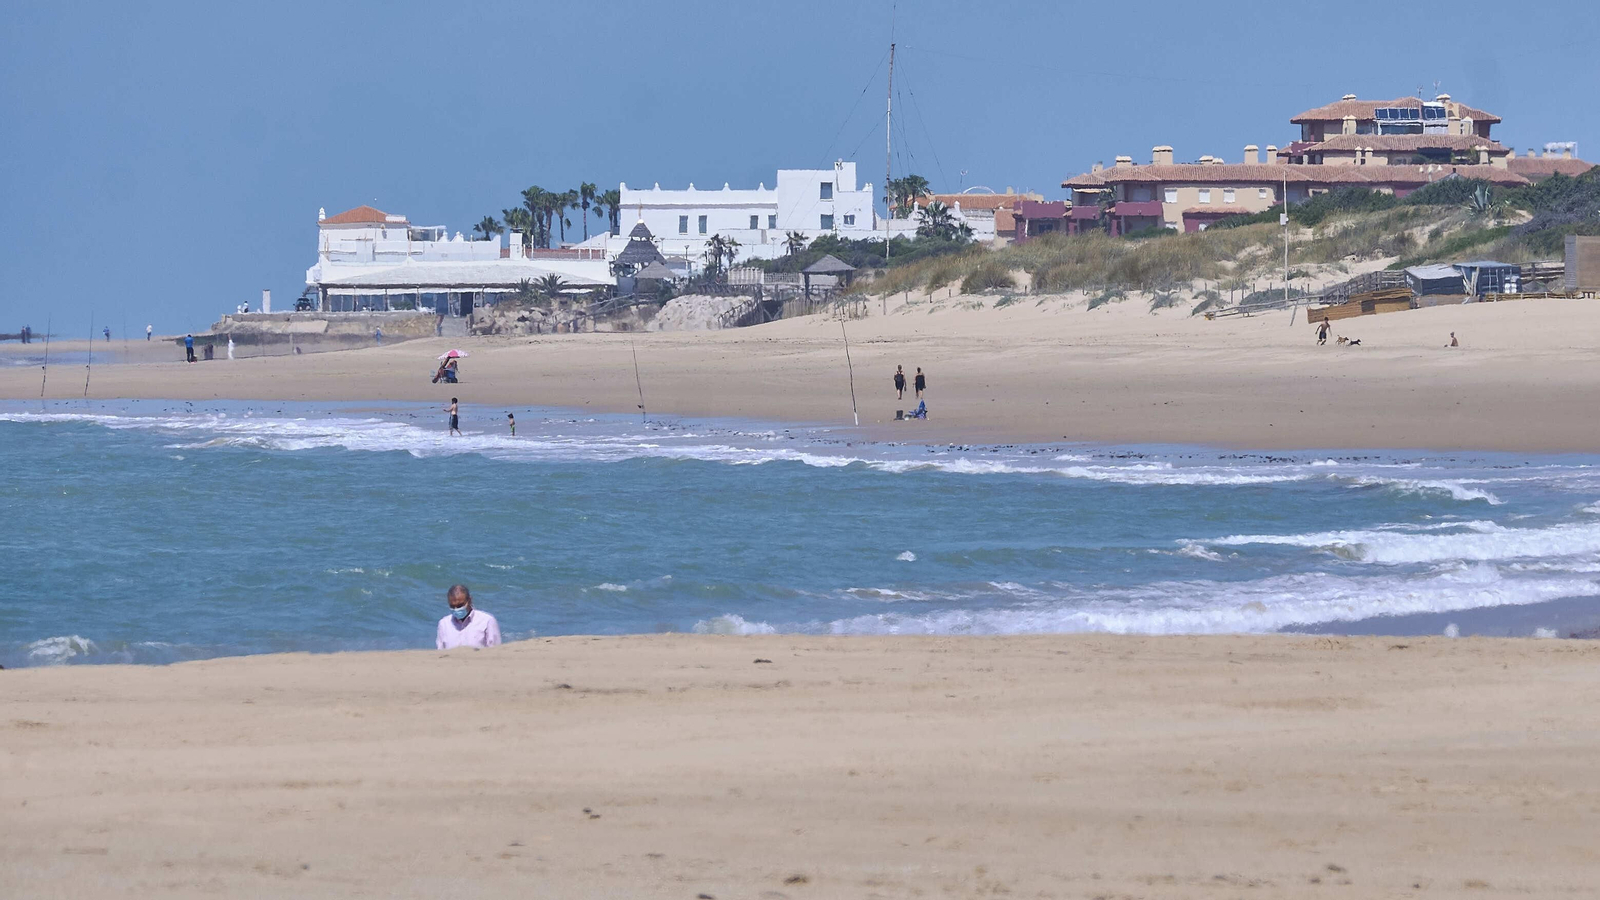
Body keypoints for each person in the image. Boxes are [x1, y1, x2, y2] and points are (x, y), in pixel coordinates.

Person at [436, 584, 501, 650]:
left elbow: (495, 650)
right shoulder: (444, 624)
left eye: (460, 605)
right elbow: (440, 651)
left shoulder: (487, 621)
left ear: (469, 600)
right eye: (452, 606)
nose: (456, 609)